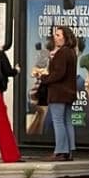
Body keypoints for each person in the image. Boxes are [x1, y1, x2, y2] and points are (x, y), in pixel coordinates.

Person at [34, 25, 79, 161]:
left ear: (66, 37)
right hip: (69, 92)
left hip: (58, 92)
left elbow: (58, 73)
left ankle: (60, 151)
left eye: (58, 35)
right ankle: (70, 150)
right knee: (67, 121)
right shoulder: (71, 52)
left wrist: (43, 78)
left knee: (58, 121)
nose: (55, 37)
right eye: (55, 34)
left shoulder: (62, 53)